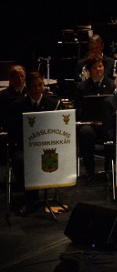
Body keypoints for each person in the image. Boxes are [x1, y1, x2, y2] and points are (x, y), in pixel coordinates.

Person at [11, 73, 64, 214]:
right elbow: (13, 131)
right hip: (25, 147)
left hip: (48, 146)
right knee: (19, 159)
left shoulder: (54, 104)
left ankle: (50, 197)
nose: (37, 88)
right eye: (34, 86)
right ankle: (30, 198)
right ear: (28, 88)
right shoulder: (17, 106)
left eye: (40, 85)